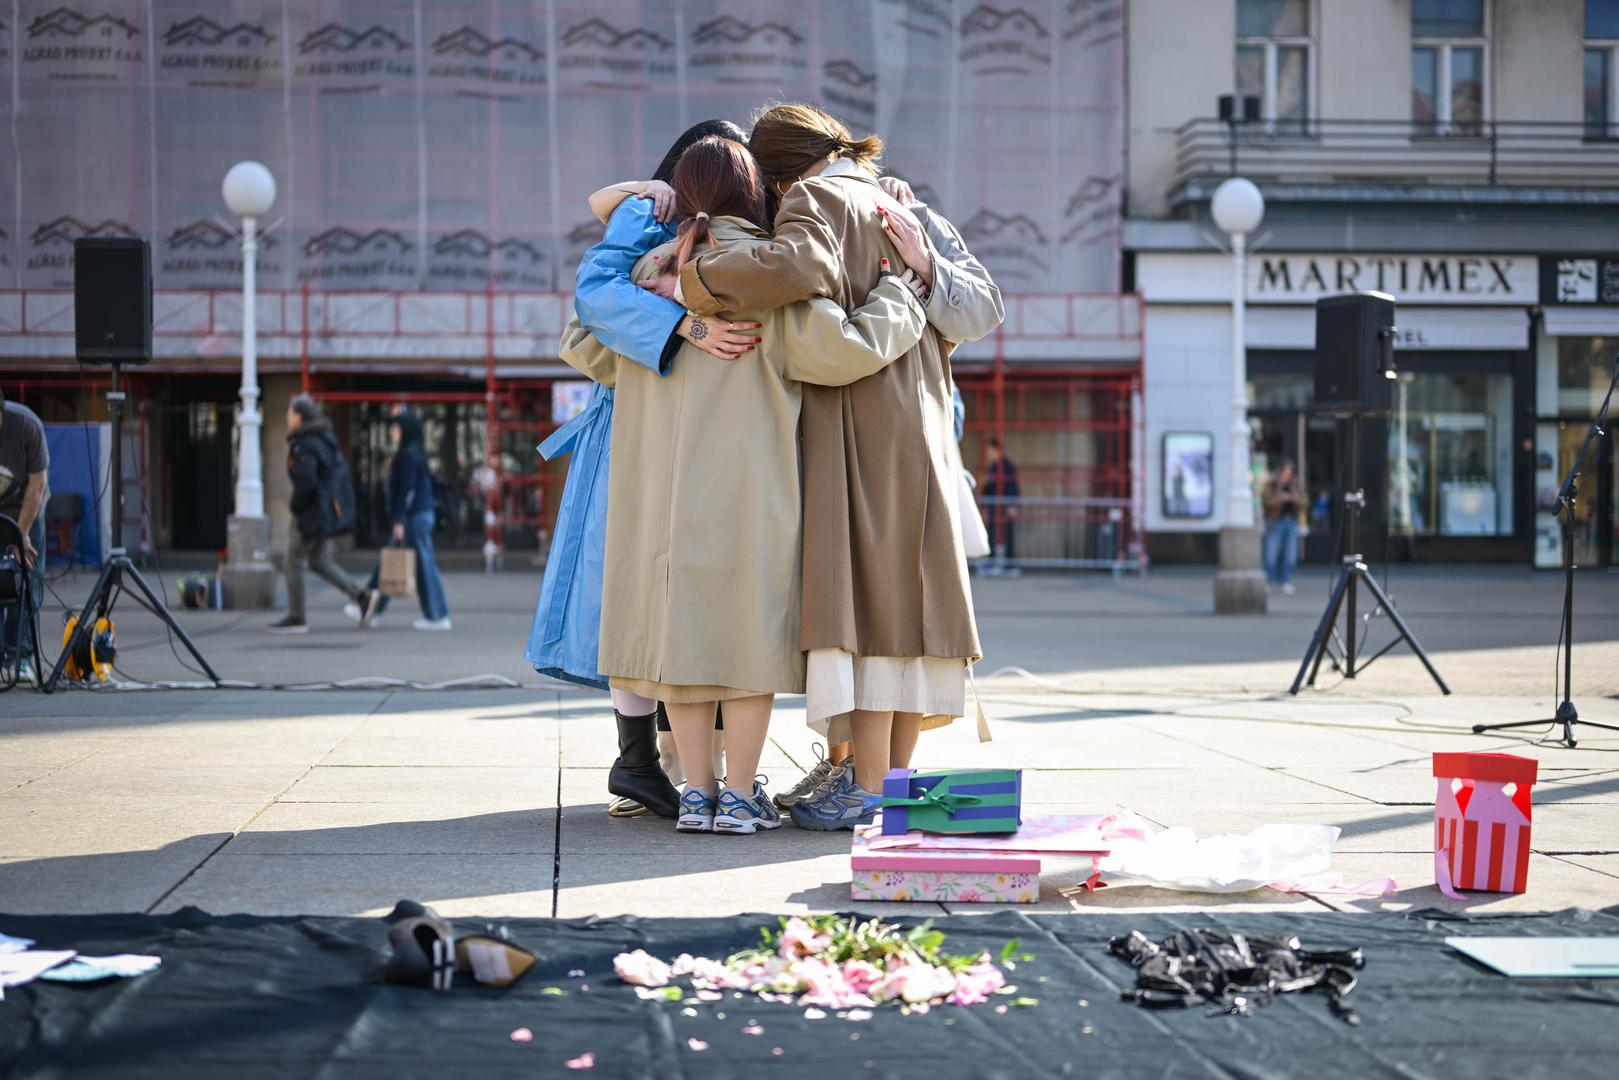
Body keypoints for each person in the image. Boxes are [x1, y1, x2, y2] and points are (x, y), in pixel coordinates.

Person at [560, 134, 929, 835]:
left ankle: (694, 795)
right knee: (746, 645)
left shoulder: (644, 276)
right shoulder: (767, 280)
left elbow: (581, 345)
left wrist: (670, 315)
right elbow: (837, 354)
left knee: (682, 643)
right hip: (752, 490)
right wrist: (899, 298)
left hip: (658, 496)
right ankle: (736, 796)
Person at [667, 103, 989, 830]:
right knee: (906, 603)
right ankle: (889, 786)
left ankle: (866, 786)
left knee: (862, 611)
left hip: (857, 422)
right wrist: (923, 274)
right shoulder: (903, 202)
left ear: (779, 174)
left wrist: (692, 283)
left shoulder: (811, 198)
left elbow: (803, 309)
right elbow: (983, 308)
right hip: (927, 424)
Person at [525, 119, 759, 820]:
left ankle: (660, 764)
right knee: (639, 590)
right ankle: (655, 764)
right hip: (636, 430)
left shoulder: (664, 233)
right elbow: (586, 321)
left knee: (633, 588)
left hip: (634, 422)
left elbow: (586, 324)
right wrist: (682, 330)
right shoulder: (682, 231)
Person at [269, 394, 377, 633]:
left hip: (311, 514)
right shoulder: (323, 439)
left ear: (299, 416)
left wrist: (296, 506)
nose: (287, 417)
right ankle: (361, 597)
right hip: (323, 512)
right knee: (319, 561)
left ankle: (297, 617)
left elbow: (307, 481)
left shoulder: (305, 443)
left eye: (289, 413)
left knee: (292, 560)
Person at [354, 412, 451, 631]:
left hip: (414, 516)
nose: (391, 432)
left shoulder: (408, 456)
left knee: (415, 565)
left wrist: (399, 520)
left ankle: (436, 616)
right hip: (418, 515)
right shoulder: (415, 453)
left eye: (395, 428)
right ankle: (370, 606)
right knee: (394, 561)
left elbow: (407, 490)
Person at [0, 388, 48, 684]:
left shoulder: (26, 426)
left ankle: (21, 657)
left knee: (24, 579)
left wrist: (21, 535)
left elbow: (38, 486)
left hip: (27, 507)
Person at [1262, 458, 1305, 594]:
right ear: (1279, 472)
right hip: (1275, 522)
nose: (1287, 475)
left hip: (1291, 522)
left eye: (1290, 472)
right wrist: (1280, 497)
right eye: (1285, 472)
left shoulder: (1295, 486)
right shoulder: (1272, 485)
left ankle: (1285, 580)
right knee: (1271, 554)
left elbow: (1304, 502)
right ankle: (1270, 580)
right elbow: (1267, 502)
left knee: (1290, 554)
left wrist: (1294, 498)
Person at [980, 439, 1022, 577]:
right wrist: (985, 506)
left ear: (996, 450)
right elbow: (988, 488)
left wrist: (1012, 505)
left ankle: (1010, 565)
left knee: (1008, 534)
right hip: (994, 508)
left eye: (989, 450)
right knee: (991, 533)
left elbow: (1012, 486)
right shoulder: (992, 467)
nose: (988, 453)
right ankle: (992, 563)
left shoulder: (1007, 466)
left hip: (1005, 508)